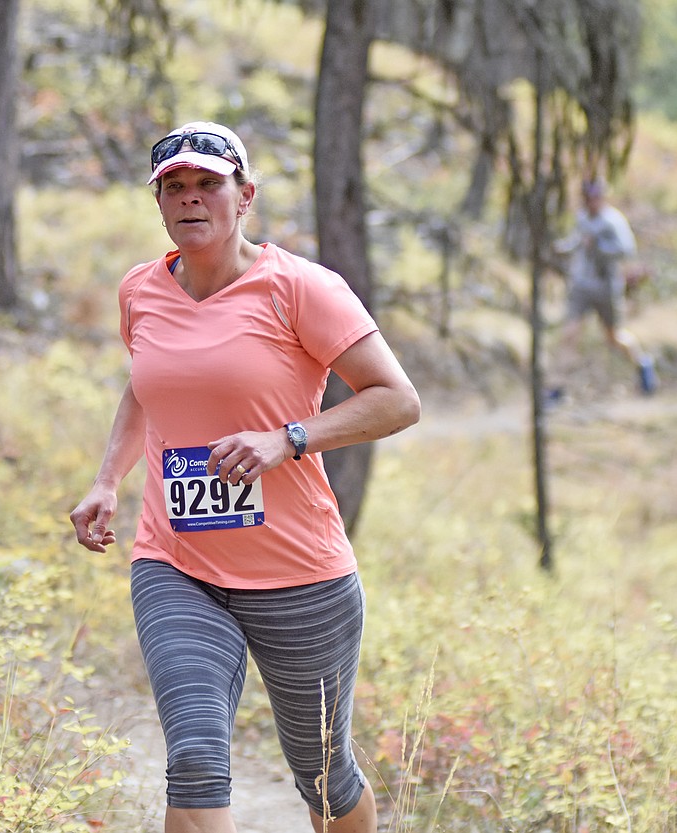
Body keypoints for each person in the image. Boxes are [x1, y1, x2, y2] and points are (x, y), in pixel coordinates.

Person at [69, 121, 421, 833]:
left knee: (322, 773)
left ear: (245, 195)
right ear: (159, 201)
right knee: (195, 761)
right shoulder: (141, 290)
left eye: (208, 184)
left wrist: (287, 439)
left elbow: (397, 399)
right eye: (175, 187)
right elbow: (149, 385)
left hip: (299, 571)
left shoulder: (302, 289)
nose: (190, 199)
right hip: (178, 562)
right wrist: (108, 478)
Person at [550, 177, 658, 398]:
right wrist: (561, 249)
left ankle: (643, 364)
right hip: (581, 285)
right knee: (569, 334)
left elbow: (626, 250)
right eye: (588, 198)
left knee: (614, 336)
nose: (591, 202)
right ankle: (557, 388)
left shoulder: (613, 221)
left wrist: (599, 247)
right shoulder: (582, 218)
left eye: (595, 197)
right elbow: (577, 242)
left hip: (606, 287)